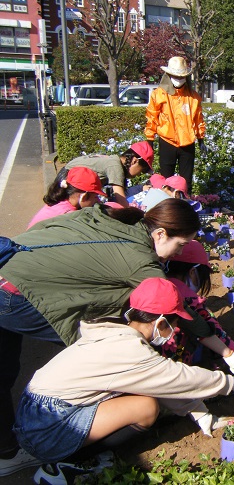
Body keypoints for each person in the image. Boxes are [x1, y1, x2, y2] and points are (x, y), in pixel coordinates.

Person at [0, 198, 203, 476]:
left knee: (3, 372)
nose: (176, 254)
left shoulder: (118, 220)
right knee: (111, 353)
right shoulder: (141, 261)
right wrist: (229, 354)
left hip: (8, 268)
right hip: (16, 295)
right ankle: (67, 444)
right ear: (160, 234)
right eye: (180, 245)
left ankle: (9, 452)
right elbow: (172, 302)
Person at [13, 277, 234, 483]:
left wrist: (200, 415)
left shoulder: (115, 333)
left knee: (145, 394)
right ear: (161, 321)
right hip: (47, 424)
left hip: (34, 410)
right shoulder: (132, 353)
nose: (175, 331)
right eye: (174, 323)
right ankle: (66, 464)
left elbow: (161, 381)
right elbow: (176, 378)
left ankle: (66, 452)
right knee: (145, 408)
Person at [164, 241, 234, 374]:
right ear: (193, 272)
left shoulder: (159, 283)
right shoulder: (189, 301)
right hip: (175, 364)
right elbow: (216, 335)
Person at [145, 57, 206, 195]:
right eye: (176, 76)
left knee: (186, 182)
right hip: (167, 142)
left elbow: (198, 120)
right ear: (169, 75)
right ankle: (168, 211)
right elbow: (152, 117)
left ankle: (186, 209)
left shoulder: (193, 97)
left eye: (181, 76)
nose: (178, 79)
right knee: (166, 181)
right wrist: (149, 140)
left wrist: (201, 139)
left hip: (188, 143)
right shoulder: (158, 94)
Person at [63, 141, 155, 208]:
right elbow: (121, 201)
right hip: (68, 179)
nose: (139, 175)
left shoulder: (113, 160)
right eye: (142, 170)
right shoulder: (116, 166)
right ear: (134, 161)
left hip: (68, 177)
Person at [27, 167, 106, 229]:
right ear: (84, 196)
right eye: (95, 197)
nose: (98, 200)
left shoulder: (58, 202)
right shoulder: (69, 215)